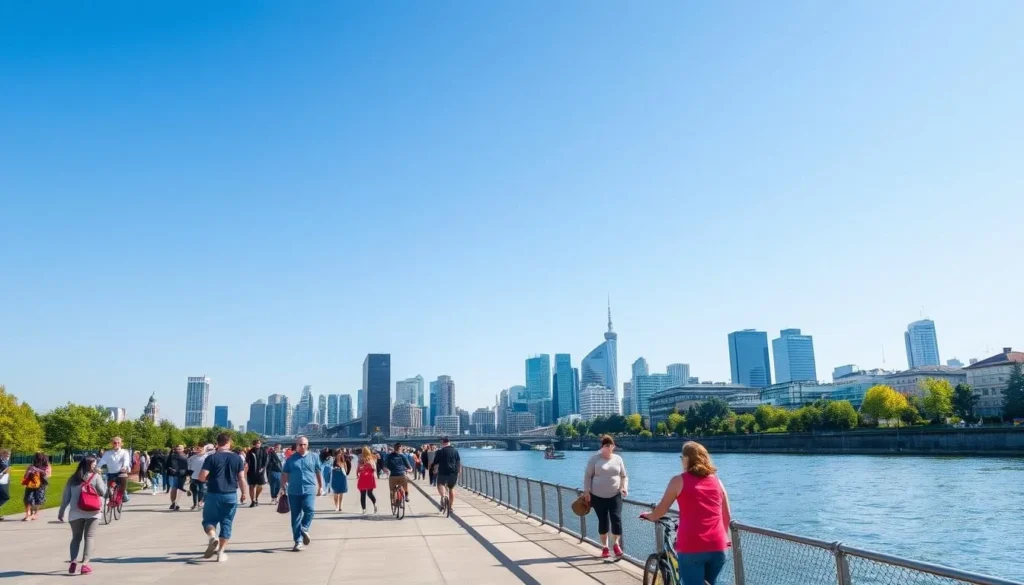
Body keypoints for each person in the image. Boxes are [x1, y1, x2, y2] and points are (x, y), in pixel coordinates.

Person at [642, 441, 732, 585]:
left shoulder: (678, 481)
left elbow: (661, 510)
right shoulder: (717, 481)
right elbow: (726, 515)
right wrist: (725, 539)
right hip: (718, 545)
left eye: (681, 457)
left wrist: (649, 516)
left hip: (692, 546)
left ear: (686, 459)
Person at [198, 433, 248, 563]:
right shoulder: (237, 458)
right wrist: (244, 493)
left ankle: (212, 537)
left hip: (213, 493)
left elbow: (202, 477)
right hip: (230, 494)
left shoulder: (211, 458)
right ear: (229, 443)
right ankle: (221, 552)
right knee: (227, 522)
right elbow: (241, 478)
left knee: (209, 520)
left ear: (217, 443)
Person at [57, 456, 106, 575]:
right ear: (91, 465)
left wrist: (62, 511)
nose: (95, 466)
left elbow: (66, 497)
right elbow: (103, 492)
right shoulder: (96, 477)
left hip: (75, 512)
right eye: (94, 464)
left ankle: (73, 560)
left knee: (76, 538)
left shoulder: (73, 478)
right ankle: (85, 564)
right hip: (93, 512)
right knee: (89, 537)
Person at [583, 434, 629, 559]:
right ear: (602, 447)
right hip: (598, 497)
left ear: (614, 447)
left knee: (616, 519)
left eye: (611, 445)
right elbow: (587, 476)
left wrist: (624, 487)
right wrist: (587, 491)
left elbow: (624, 476)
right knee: (603, 522)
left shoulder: (618, 459)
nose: (609, 448)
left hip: (615, 495)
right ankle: (605, 547)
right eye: (606, 445)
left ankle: (616, 544)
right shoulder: (595, 459)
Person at [282, 436, 322, 551]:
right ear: (296, 445)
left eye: (304, 444)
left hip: (309, 489)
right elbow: (284, 474)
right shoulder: (290, 459)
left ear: (307, 445)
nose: (302, 446)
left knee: (309, 510)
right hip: (294, 490)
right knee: (295, 516)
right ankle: (298, 541)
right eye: (300, 444)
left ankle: (304, 528)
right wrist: (282, 487)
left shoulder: (314, 457)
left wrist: (321, 486)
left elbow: (318, 472)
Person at [97, 436, 132, 503]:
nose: (116, 444)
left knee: (124, 477)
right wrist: (97, 467)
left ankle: (123, 492)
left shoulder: (124, 452)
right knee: (108, 486)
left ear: (121, 443)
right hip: (111, 473)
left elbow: (126, 460)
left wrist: (124, 466)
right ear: (112, 444)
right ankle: (109, 497)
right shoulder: (108, 453)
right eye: (115, 443)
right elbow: (102, 461)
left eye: (118, 443)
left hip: (121, 472)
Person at [431, 437, 461, 514]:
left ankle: (443, 496)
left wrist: (434, 471)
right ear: (449, 442)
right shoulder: (455, 451)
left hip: (443, 472)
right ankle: (450, 507)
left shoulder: (440, 451)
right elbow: (458, 462)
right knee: (451, 488)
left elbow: (435, 462)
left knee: (440, 484)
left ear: (443, 443)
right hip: (453, 473)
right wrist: (458, 471)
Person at [21, 452, 52, 521]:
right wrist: (29, 471)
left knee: (39, 499)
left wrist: (38, 471)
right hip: (31, 484)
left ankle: (35, 514)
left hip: (41, 484)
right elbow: (25, 476)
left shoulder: (47, 466)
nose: (36, 460)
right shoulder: (32, 465)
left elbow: (48, 475)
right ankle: (28, 514)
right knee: (27, 498)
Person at [188, 445, 212, 511]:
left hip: (204, 476)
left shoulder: (207, 457)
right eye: (198, 448)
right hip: (194, 476)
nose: (200, 450)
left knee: (202, 490)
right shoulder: (192, 458)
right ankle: (195, 504)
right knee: (194, 491)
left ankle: (200, 503)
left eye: (201, 448)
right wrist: (189, 475)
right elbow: (189, 468)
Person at [245, 439, 268, 507]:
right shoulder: (250, 452)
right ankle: (253, 501)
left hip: (260, 471)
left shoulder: (263, 451)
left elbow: (266, 461)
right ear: (254, 444)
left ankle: (256, 497)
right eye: (256, 443)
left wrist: (263, 468)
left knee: (260, 486)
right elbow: (247, 461)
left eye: (259, 443)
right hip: (251, 472)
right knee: (251, 486)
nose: (258, 444)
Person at [167, 445, 190, 511]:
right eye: (177, 449)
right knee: (176, 487)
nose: (178, 450)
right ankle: (174, 503)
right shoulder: (174, 456)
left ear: (183, 449)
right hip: (177, 473)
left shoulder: (184, 456)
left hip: (182, 473)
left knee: (178, 488)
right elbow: (171, 465)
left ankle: (174, 503)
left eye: (180, 449)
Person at [356, 446, 378, 514]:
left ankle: (364, 509)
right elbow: (374, 468)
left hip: (363, 477)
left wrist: (358, 473)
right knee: (370, 493)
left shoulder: (360, 459)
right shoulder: (372, 458)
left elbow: (358, 469)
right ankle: (374, 504)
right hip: (370, 477)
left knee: (362, 494)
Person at [0, 449, 10, 520]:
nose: (8, 456)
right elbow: (5, 470)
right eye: (7, 454)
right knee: (5, 496)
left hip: (4, 481)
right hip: (1, 481)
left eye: (9, 455)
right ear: (3, 454)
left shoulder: (5, 460)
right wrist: (3, 473)